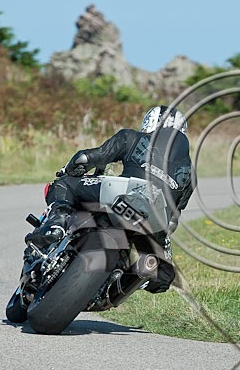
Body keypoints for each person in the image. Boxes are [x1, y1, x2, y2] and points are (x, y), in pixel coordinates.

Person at [25, 105, 195, 293]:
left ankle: (56, 225)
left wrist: (69, 170)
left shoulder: (131, 137)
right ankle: (124, 283)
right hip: (155, 218)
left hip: (123, 193)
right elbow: (172, 220)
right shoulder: (190, 173)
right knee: (162, 275)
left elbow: (85, 158)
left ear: (149, 123)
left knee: (64, 184)